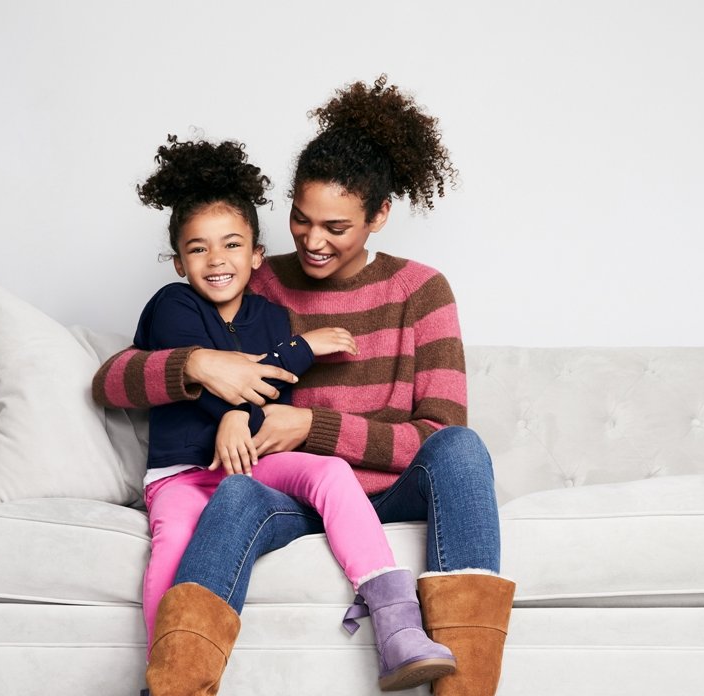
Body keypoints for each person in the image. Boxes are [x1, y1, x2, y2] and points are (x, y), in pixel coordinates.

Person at [94, 76, 515, 696]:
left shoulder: (421, 291)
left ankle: (463, 688)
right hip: (287, 493)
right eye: (300, 219)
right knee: (235, 494)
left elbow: (436, 434)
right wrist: (200, 366)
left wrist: (310, 427)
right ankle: (175, 686)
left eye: (336, 227)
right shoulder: (254, 277)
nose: (314, 242)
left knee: (463, 449)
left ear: (378, 216)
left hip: (386, 490)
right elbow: (112, 379)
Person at [128, 134, 456, 691]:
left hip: (254, 461)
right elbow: (189, 376)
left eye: (232, 245)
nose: (217, 260)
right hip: (183, 472)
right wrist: (295, 354)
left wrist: (255, 404)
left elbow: (272, 388)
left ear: (255, 256)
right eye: (198, 249)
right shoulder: (173, 304)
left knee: (330, 471)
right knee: (175, 540)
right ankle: (167, 673)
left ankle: (398, 625)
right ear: (178, 261)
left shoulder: (272, 313)